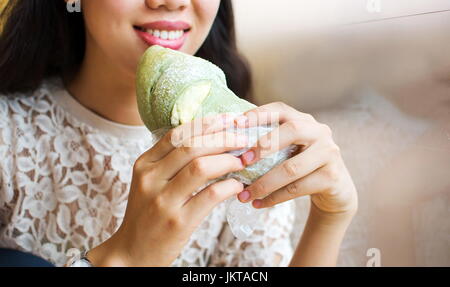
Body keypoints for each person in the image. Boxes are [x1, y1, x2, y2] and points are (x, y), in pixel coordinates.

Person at [0, 0, 357, 267]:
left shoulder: (253, 149)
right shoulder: (9, 140)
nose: (171, 1)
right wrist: (126, 258)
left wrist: (329, 218)